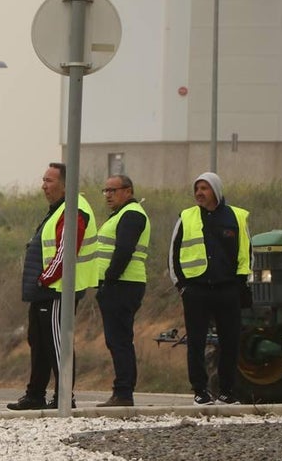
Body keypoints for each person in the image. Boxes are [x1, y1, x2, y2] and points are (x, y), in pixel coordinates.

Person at [7, 162, 100, 411]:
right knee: (38, 341)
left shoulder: (74, 210)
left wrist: (44, 278)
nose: (44, 186)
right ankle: (35, 394)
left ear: (65, 184)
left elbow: (66, 251)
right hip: (45, 290)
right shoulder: (58, 209)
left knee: (58, 343)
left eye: (49, 181)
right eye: (44, 180)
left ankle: (63, 397)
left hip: (58, 290)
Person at [168, 172, 251, 405]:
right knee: (196, 342)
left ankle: (226, 392)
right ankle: (200, 391)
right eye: (197, 189)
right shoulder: (186, 217)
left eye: (204, 188)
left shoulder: (237, 217)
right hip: (196, 290)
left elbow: (246, 253)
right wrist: (181, 286)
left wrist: (240, 285)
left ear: (216, 190)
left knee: (230, 342)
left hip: (228, 290)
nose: (199, 193)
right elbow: (173, 254)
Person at [93, 174, 149, 407]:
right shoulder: (120, 215)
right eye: (105, 191)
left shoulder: (132, 214)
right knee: (117, 339)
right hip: (120, 284)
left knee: (120, 340)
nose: (108, 195)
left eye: (112, 190)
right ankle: (122, 391)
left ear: (128, 191)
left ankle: (124, 392)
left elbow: (124, 250)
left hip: (123, 284)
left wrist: (109, 279)